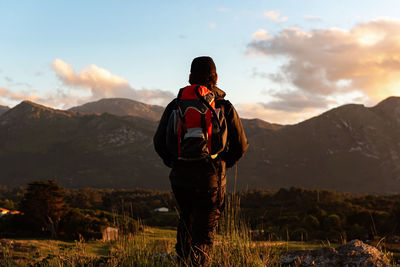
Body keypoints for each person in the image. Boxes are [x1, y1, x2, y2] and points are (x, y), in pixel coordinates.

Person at [153, 56, 248, 266]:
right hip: (210, 178)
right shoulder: (224, 106)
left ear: (189, 78)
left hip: (180, 177)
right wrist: (222, 162)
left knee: (185, 219)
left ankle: (182, 260)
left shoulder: (175, 105)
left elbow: (158, 142)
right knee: (203, 236)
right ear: (215, 77)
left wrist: (175, 161)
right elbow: (241, 145)